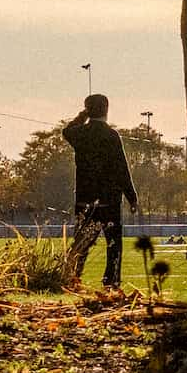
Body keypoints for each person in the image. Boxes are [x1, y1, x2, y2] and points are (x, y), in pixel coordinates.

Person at [62, 95, 139, 289]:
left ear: (88, 110)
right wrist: (131, 196)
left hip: (85, 199)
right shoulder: (111, 136)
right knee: (114, 244)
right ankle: (111, 281)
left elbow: (66, 130)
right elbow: (122, 168)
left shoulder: (80, 134)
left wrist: (82, 116)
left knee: (81, 244)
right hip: (109, 200)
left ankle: (72, 277)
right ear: (106, 109)